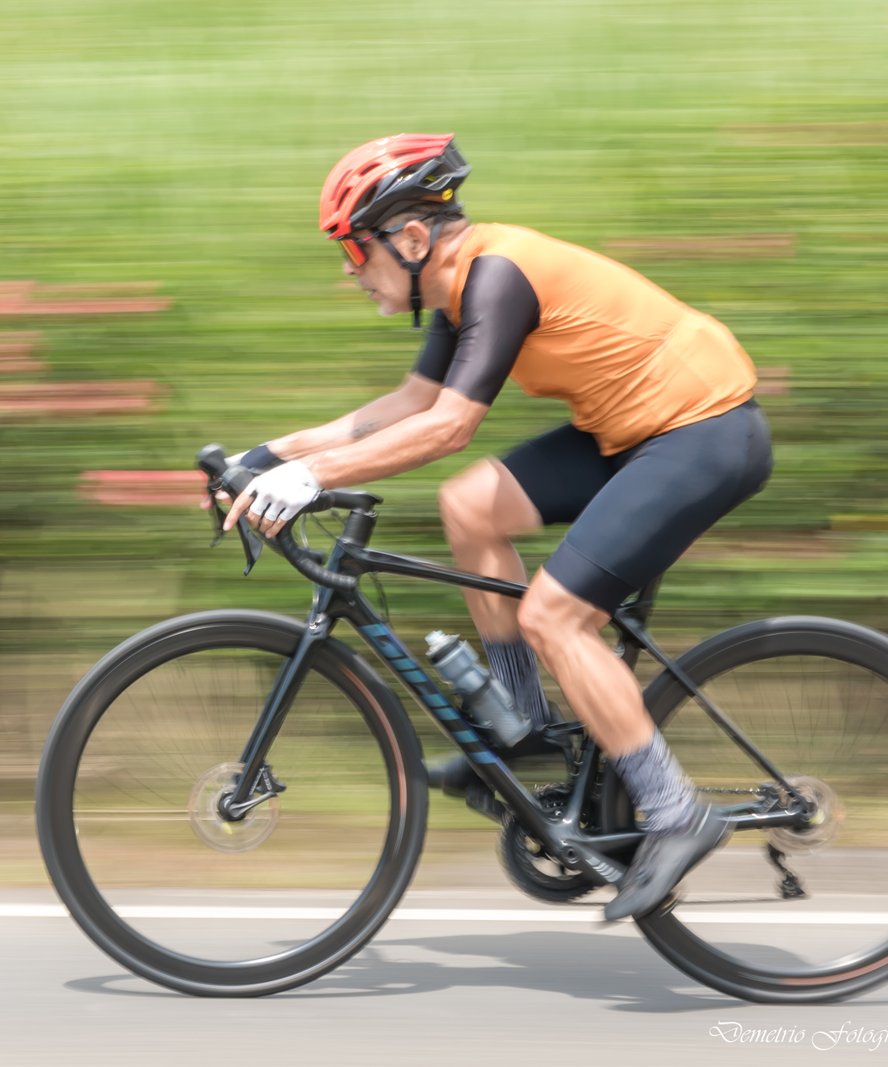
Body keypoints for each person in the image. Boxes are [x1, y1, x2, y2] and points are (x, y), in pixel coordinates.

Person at [218, 133, 773, 921]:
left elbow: (448, 427)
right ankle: (524, 727)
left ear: (411, 239)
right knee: (469, 504)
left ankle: (676, 810)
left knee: (555, 613)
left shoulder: (498, 276)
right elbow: (407, 407)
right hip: (632, 431)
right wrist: (269, 453)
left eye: (353, 247)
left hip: (704, 431)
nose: (348, 268)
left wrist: (308, 479)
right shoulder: (454, 287)